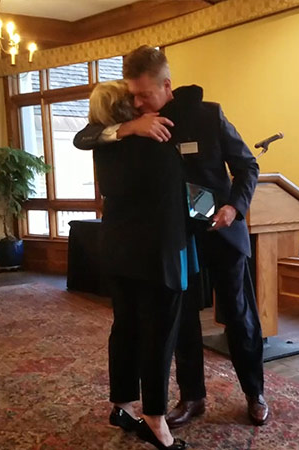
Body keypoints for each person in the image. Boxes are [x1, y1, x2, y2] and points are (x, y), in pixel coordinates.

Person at [74, 46, 269, 427]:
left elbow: (248, 166)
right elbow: (85, 137)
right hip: (178, 241)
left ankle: (255, 393)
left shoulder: (208, 115)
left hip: (222, 230)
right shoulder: (135, 123)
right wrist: (130, 126)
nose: (137, 101)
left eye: (145, 94)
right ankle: (193, 397)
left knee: (240, 316)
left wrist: (234, 207)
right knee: (182, 323)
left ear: (167, 85)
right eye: (132, 94)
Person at [88, 80, 200, 450]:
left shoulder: (104, 145)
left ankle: (121, 405)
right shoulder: (156, 143)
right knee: (159, 338)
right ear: (130, 109)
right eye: (134, 99)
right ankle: (154, 417)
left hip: (117, 252)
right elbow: (193, 94)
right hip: (158, 256)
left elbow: (84, 136)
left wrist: (127, 125)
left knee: (126, 330)